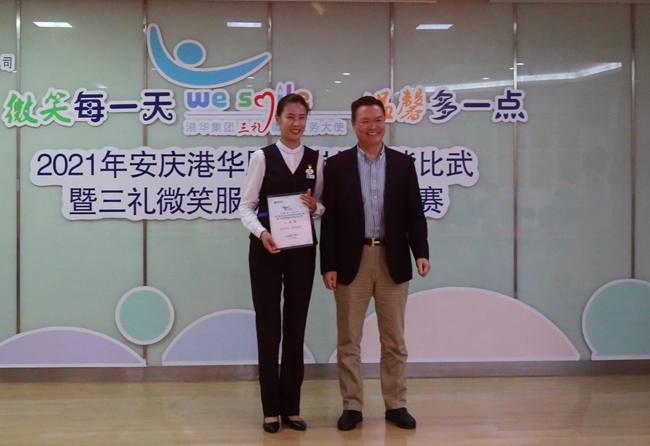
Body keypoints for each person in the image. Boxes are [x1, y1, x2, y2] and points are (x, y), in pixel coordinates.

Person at [320, 95, 430, 431]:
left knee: (394, 340)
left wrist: (421, 252)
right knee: (349, 340)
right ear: (354, 125)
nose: (373, 126)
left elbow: (415, 213)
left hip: (392, 259)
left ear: (385, 122)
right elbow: (330, 220)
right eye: (365, 121)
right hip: (351, 261)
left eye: (378, 119)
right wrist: (328, 264)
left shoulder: (402, 164)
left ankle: (396, 404)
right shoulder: (336, 165)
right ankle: (352, 406)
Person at [239, 93, 324, 433]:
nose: (296, 123)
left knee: (296, 326)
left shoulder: (316, 159)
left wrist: (315, 207)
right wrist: (262, 234)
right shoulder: (262, 157)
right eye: (290, 117)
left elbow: (322, 204)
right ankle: (270, 409)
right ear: (278, 119)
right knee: (268, 327)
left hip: (302, 251)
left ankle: (292, 408)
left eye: (302, 117)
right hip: (266, 250)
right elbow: (246, 207)